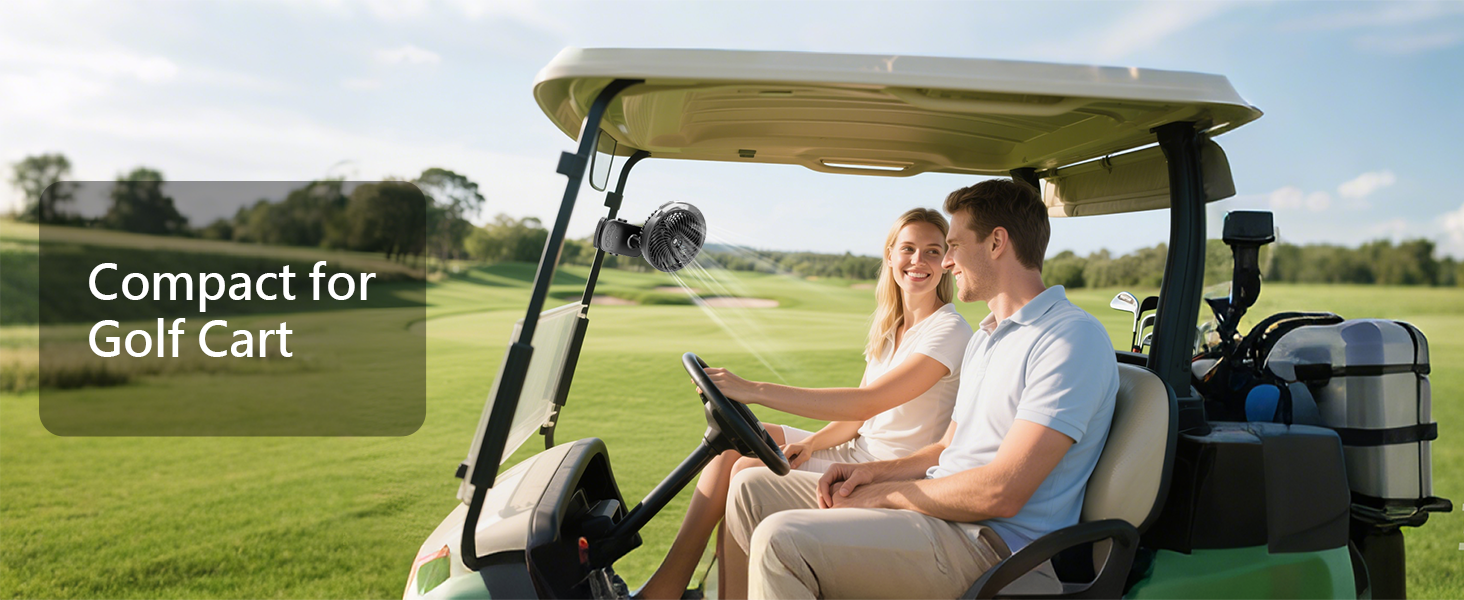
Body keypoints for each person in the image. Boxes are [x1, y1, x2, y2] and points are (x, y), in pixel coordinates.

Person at [722, 179, 1120, 600]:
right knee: (750, 490)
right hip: (939, 519)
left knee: (781, 541)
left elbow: (1001, 492)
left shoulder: (1068, 339)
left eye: (954, 245)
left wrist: (883, 495)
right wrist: (870, 474)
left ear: (996, 243)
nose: (947, 261)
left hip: (992, 548)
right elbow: (945, 448)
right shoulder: (986, 338)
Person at [636, 208, 975, 600]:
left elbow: (866, 403)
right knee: (732, 448)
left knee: (745, 471)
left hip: (886, 472)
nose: (918, 261)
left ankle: (677, 592)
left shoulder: (949, 330)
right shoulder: (892, 328)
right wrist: (812, 443)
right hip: (857, 451)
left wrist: (753, 389)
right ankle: (672, 584)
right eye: (909, 249)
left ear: (946, 262)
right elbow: (857, 422)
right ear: (890, 255)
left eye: (933, 251)